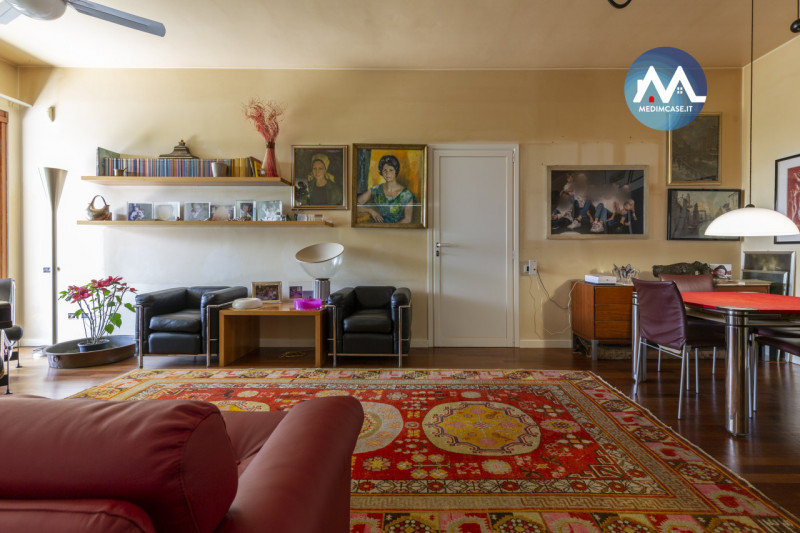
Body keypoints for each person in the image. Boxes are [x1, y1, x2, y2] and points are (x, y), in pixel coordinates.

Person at [357, 154, 416, 224]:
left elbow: (408, 219)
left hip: (397, 229)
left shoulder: (407, 194)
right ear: (381, 172)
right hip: (378, 228)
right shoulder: (376, 190)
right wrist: (370, 211)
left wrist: (390, 228)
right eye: (385, 170)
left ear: (396, 171)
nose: (387, 173)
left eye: (391, 170)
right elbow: (355, 204)